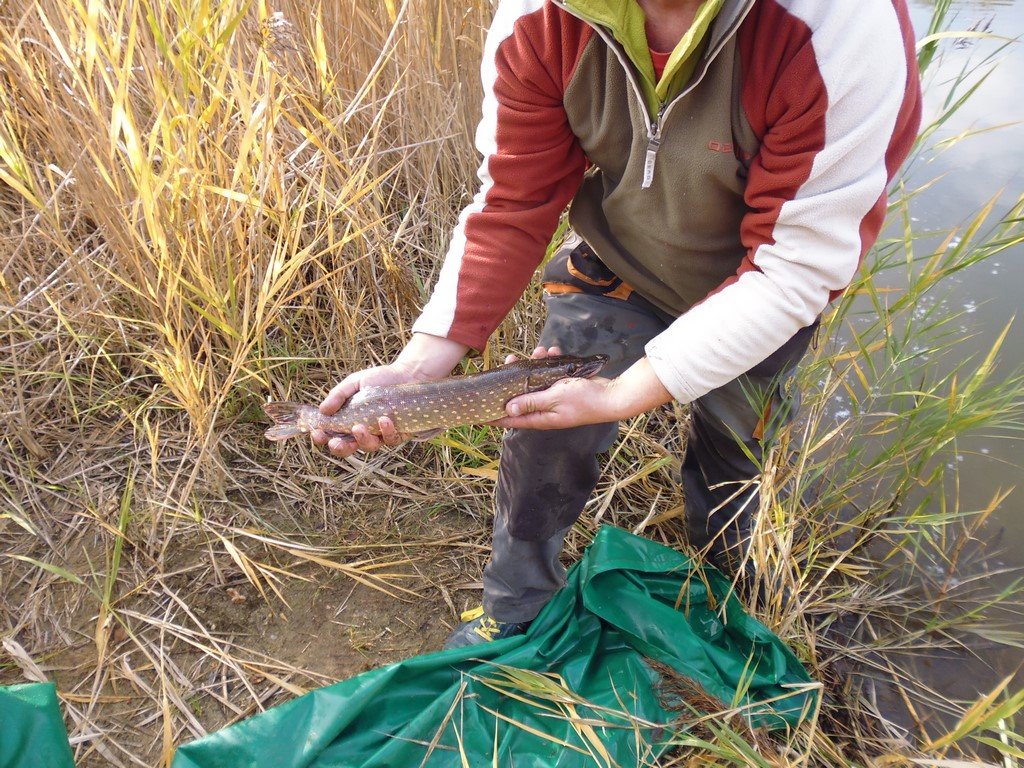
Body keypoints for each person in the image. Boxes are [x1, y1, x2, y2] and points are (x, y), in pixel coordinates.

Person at [313, 0, 922, 648]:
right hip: (616, 263)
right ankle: (515, 609)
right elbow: (514, 200)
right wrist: (416, 368)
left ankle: (726, 602)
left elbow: (795, 266)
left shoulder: (844, 30)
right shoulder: (540, 18)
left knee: (734, 460)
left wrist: (621, 395)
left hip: (761, 289)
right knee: (541, 437)